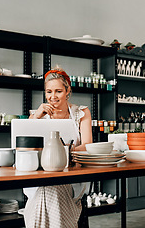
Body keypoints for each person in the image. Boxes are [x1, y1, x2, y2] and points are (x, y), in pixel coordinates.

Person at [24, 67, 93, 228]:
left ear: (68, 90)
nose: (52, 97)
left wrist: (64, 152)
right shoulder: (37, 115)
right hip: (40, 175)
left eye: (58, 91)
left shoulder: (81, 113)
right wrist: (36, 117)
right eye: (48, 92)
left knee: (51, 189)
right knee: (46, 189)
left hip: (71, 175)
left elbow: (87, 145)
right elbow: (26, 146)